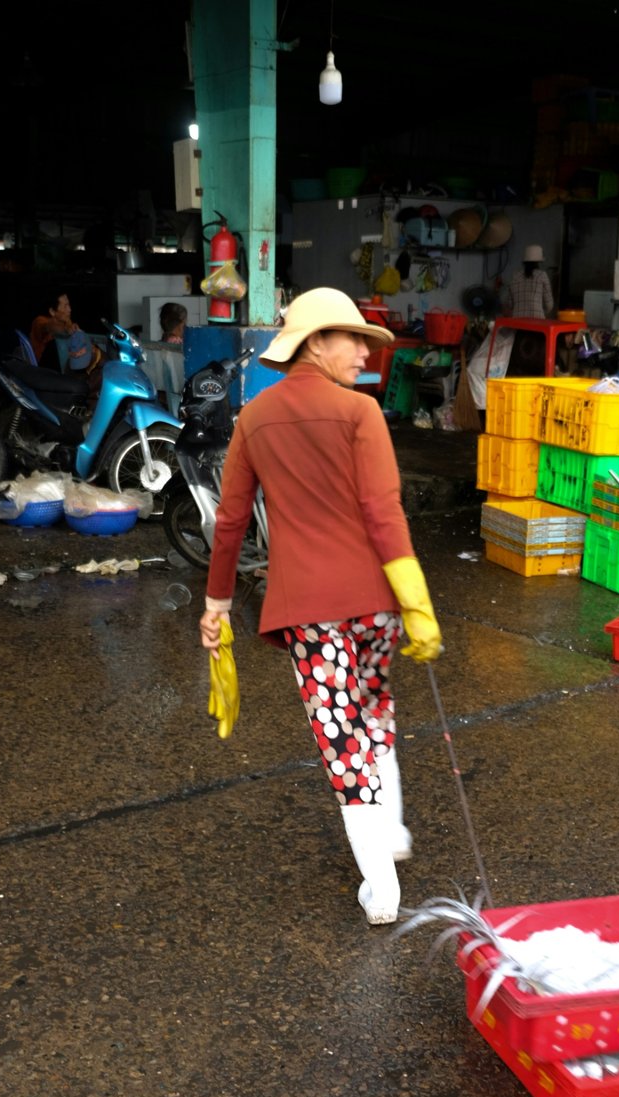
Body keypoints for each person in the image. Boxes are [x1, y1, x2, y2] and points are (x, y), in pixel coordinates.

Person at [198, 287, 443, 927]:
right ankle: (391, 834)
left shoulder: (254, 419)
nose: (364, 351)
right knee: (373, 710)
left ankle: (382, 887)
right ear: (315, 343)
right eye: (352, 338)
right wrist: (414, 601)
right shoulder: (361, 413)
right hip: (377, 603)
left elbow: (230, 524)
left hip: (309, 610)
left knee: (342, 734)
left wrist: (216, 604)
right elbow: (384, 513)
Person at [29, 290, 105, 399]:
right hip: (47, 374)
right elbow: (51, 327)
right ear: (52, 311)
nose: (69, 309)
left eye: (69, 305)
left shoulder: (67, 321)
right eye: (65, 306)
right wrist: (66, 330)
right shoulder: (39, 322)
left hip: (65, 368)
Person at [503, 244, 554, 319]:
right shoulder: (542, 276)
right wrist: (540, 311)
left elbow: (510, 304)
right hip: (537, 321)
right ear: (539, 262)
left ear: (524, 262)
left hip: (518, 322)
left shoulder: (515, 277)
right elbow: (549, 305)